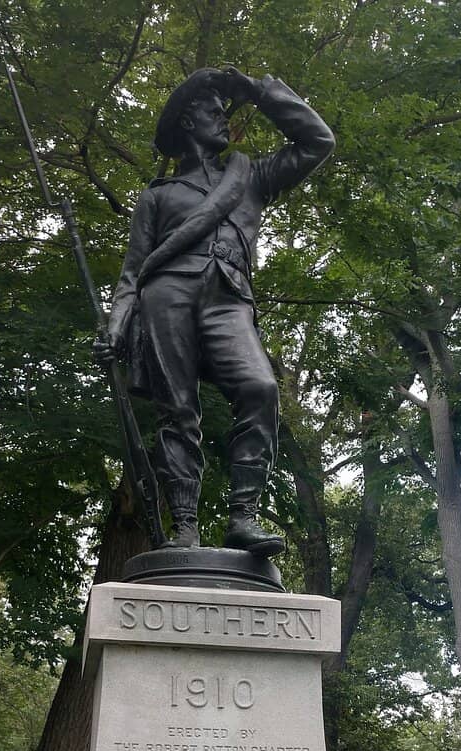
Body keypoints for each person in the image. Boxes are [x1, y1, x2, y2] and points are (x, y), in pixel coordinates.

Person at [96, 66, 334, 554]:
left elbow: (317, 141)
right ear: (187, 122)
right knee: (177, 411)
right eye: (212, 112)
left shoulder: (251, 177)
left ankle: (243, 517)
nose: (224, 120)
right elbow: (131, 272)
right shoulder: (157, 195)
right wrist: (115, 326)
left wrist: (262, 90)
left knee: (260, 388)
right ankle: (184, 526)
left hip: (228, 297)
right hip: (166, 296)